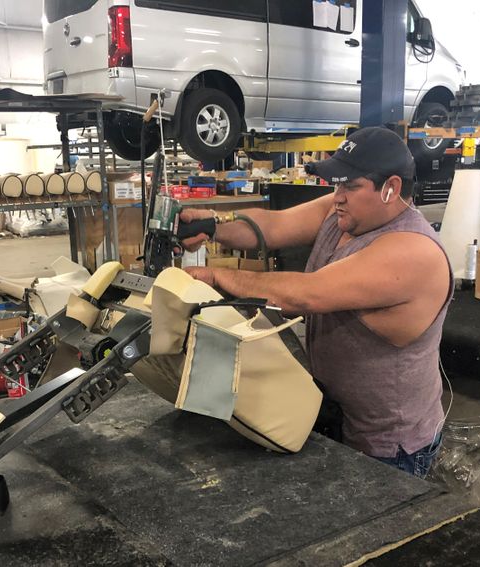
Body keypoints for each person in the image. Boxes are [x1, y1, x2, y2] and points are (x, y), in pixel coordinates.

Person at [179, 127, 452, 478]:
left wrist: (217, 277)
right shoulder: (344, 214)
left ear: (392, 188)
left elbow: (305, 294)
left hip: (389, 447)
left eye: (350, 186)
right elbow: (274, 225)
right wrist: (210, 227)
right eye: (337, 185)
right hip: (334, 418)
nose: (337, 196)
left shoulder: (412, 251)